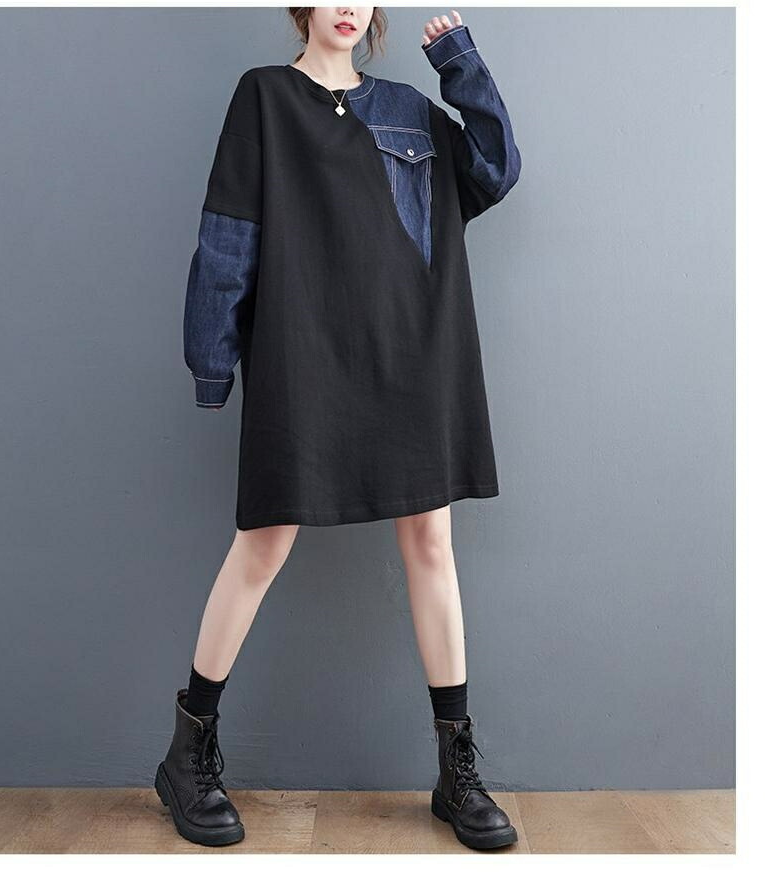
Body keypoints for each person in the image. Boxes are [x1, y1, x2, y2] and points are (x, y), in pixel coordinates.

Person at [155, 6, 522, 851]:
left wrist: (458, 63)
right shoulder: (263, 97)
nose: (348, 6)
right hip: (305, 351)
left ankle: (456, 770)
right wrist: (212, 363)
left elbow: (495, 168)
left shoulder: (408, 110)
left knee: (431, 542)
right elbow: (228, 236)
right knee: (264, 542)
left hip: (414, 356)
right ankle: (187, 755)